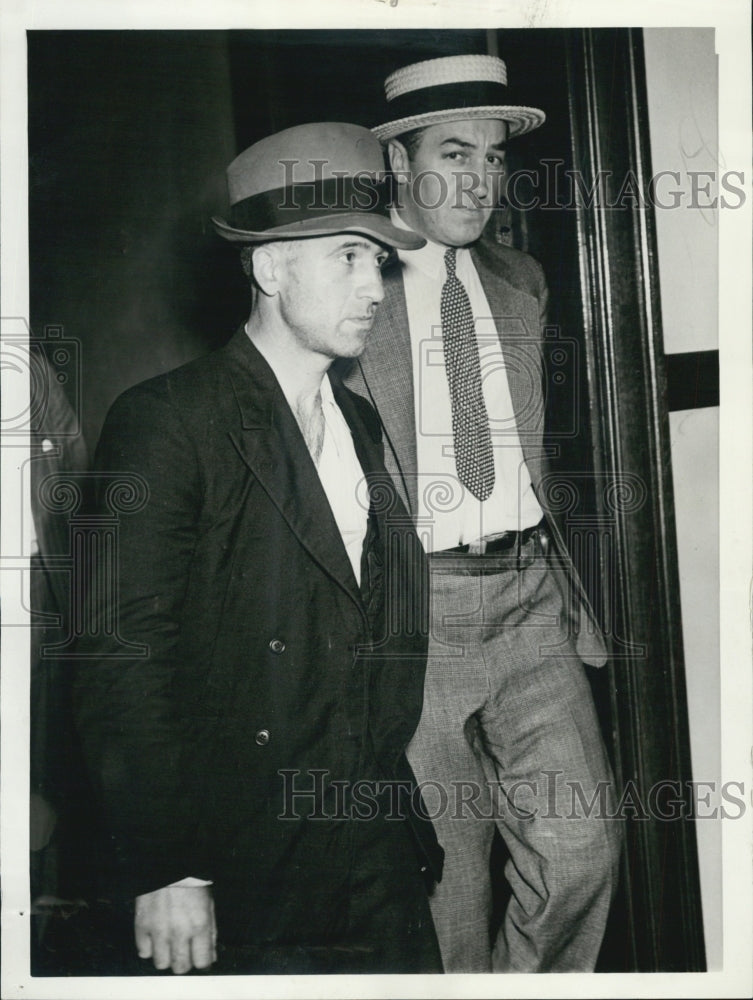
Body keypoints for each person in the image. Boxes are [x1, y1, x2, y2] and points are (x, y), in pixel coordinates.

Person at [73, 122, 444, 975]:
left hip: (372, 849)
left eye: (378, 260)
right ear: (269, 268)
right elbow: (119, 656)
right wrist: (166, 863)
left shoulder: (355, 421)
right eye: (348, 256)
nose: (376, 286)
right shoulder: (168, 421)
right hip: (245, 864)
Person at [337, 54, 623, 972]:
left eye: (494, 159)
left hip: (532, 595)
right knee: (448, 890)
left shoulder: (519, 280)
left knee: (581, 851)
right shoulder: (350, 288)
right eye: (453, 153)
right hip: (417, 615)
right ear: (396, 165)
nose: (480, 179)